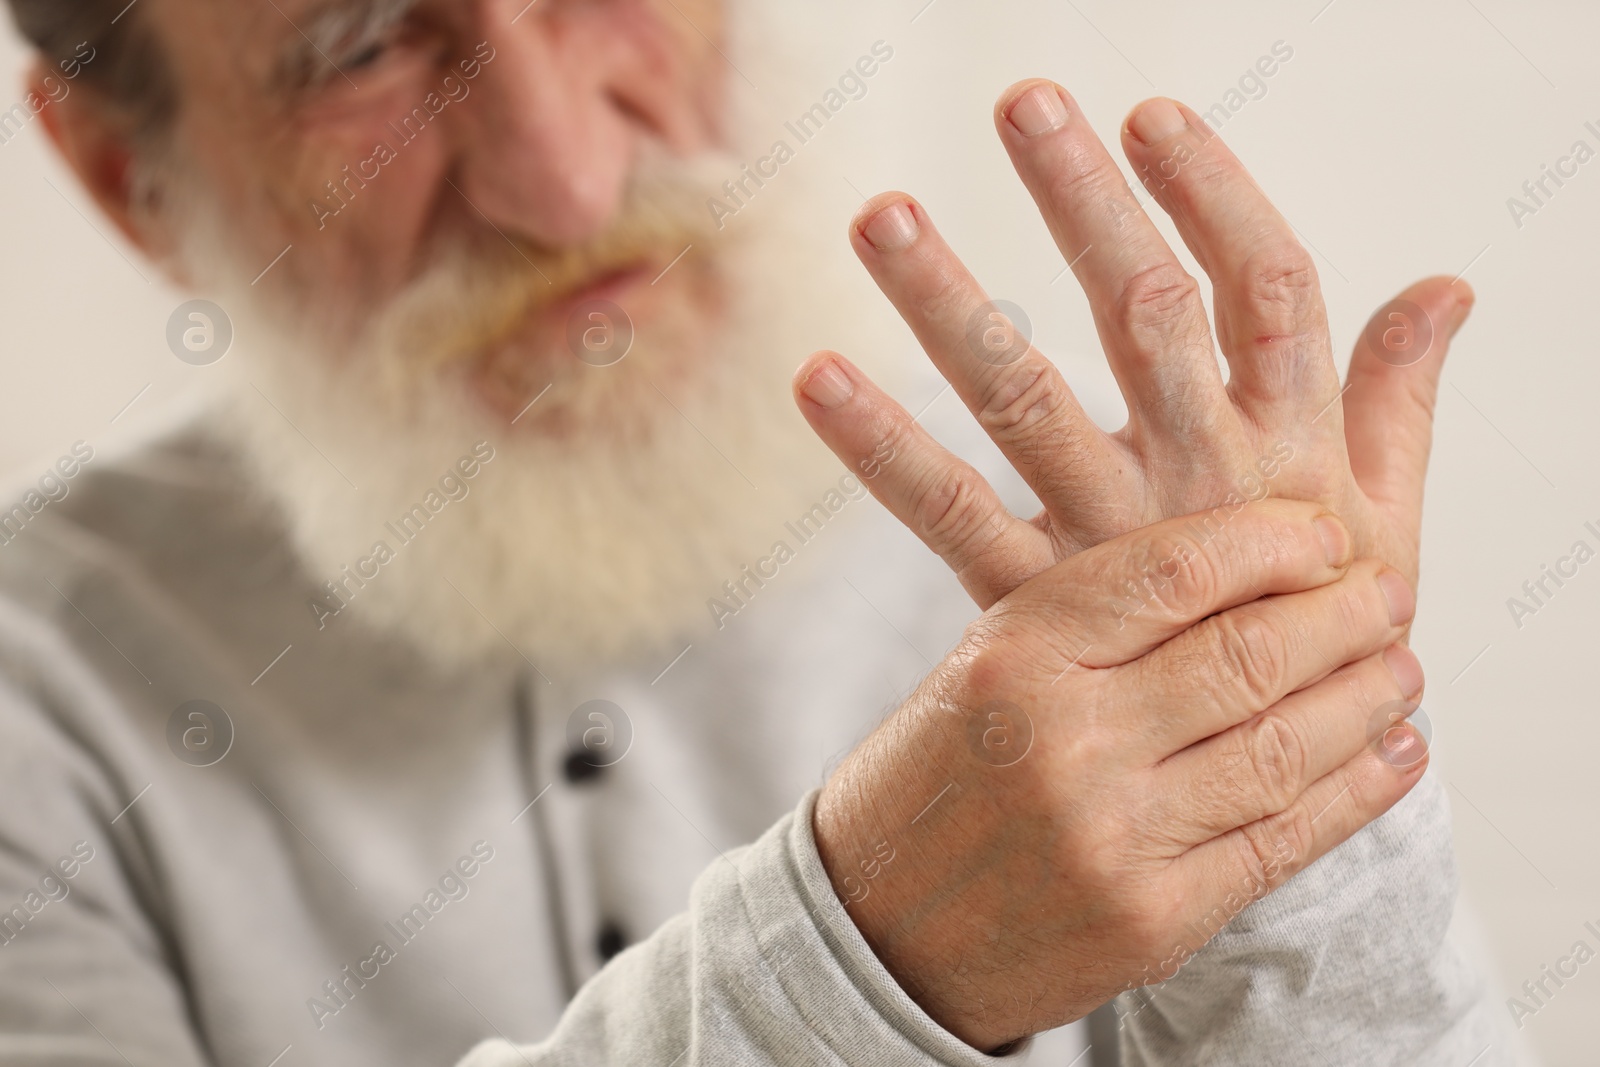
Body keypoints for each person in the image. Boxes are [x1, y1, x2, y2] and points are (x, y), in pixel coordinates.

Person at [0, 0, 1514, 1063]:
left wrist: (1297, 818)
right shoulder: (38, 688)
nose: (565, 180)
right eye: (359, 44)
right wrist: (861, 953)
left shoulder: (1140, 534)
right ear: (123, 175)